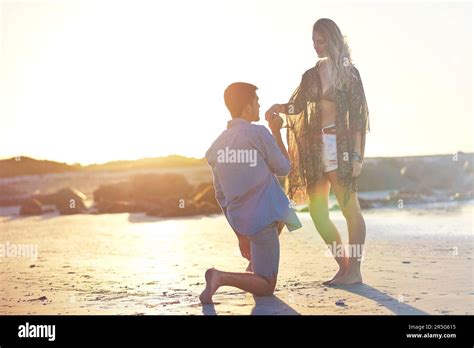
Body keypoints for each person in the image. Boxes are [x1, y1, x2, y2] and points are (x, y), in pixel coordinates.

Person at [266, 18, 370, 286]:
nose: (315, 46)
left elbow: (359, 118)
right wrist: (277, 107)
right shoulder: (311, 75)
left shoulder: (349, 73)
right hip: (315, 150)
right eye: (313, 41)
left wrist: (358, 155)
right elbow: (296, 107)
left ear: (333, 40)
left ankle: (355, 270)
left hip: (342, 149)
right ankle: (344, 265)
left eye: (320, 41)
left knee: (350, 209)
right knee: (317, 212)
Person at [199, 82, 302, 304]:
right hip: (263, 217)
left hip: (241, 218)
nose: (259, 106)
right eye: (256, 102)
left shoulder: (216, 147)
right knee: (266, 285)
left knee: (286, 209)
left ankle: (256, 261)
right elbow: (284, 168)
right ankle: (220, 277)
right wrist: (276, 132)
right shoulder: (258, 133)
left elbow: (221, 196)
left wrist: (240, 234)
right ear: (247, 107)